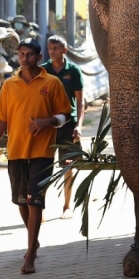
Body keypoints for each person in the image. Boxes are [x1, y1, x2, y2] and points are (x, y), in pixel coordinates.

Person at [0, 38, 72, 274]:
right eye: (21, 54)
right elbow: (1, 120)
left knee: (35, 201)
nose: (24, 59)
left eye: (29, 55)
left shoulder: (51, 83)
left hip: (42, 152)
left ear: (39, 57)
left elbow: (66, 115)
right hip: (16, 152)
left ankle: (30, 253)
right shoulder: (9, 86)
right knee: (21, 202)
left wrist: (47, 122)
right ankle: (33, 239)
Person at [42, 35, 84, 219]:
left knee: (67, 167)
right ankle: (40, 208)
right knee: (42, 167)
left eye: (56, 48)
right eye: (50, 48)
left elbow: (81, 102)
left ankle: (67, 206)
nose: (52, 51)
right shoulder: (42, 70)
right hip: (47, 125)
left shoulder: (73, 71)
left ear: (64, 50)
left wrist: (79, 126)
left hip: (68, 124)